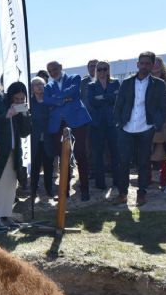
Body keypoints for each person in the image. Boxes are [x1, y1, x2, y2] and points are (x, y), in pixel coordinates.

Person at [113, 51, 166, 206]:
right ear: (137, 64)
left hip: (146, 128)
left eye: (147, 63)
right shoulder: (127, 82)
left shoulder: (158, 84)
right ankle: (122, 193)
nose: (144, 66)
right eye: (142, 63)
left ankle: (141, 194)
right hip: (126, 128)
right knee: (123, 162)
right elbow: (119, 104)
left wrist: (156, 123)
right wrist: (119, 123)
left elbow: (164, 108)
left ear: (152, 65)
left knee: (144, 163)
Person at [44, 61, 92, 201]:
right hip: (58, 124)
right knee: (63, 157)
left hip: (78, 121)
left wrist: (56, 98)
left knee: (80, 154)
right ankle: (64, 191)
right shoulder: (48, 86)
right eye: (50, 71)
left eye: (55, 69)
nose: (53, 73)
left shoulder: (74, 78)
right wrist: (64, 99)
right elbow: (46, 100)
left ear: (61, 67)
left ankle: (84, 190)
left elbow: (74, 91)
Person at [0, 82, 31, 232]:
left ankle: (6, 215)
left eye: (22, 99)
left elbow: (25, 132)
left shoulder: (20, 109)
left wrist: (24, 114)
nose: (19, 101)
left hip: (14, 151)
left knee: (11, 186)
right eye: (16, 99)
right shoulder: (0, 103)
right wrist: (7, 115)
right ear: (10, 96)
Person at [87, 60, 120, 190]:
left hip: (112, 123)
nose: (102, 72)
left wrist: (101, 97)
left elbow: (117, 99)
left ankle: (117, 181)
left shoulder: (115, 82)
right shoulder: (91, 85)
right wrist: (109, 97)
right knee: (98, 154)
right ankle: (100, 184)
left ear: (108, 70)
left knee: (115, 153)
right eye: (99, 69)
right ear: (96, 71)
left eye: (104, 69)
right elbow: (92, 102)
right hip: (97, 124)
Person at [150, 57, 166, 190]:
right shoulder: (145, 80)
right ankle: (147, 180)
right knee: (147, 151)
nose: (155, 66)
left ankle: (164, 180)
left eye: (157, 63)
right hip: (149, 120)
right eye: (152, 63)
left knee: (165, 152)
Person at [29, 76, 54, 199]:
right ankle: (33, 190)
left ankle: (49, 189)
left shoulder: (50, 100)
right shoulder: (29, 103)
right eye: (36, 84)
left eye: (42, 84)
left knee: (49, 165)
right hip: (34, 139)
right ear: (32, 88)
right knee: (35, 166)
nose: (40, 86)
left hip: (49, 138)